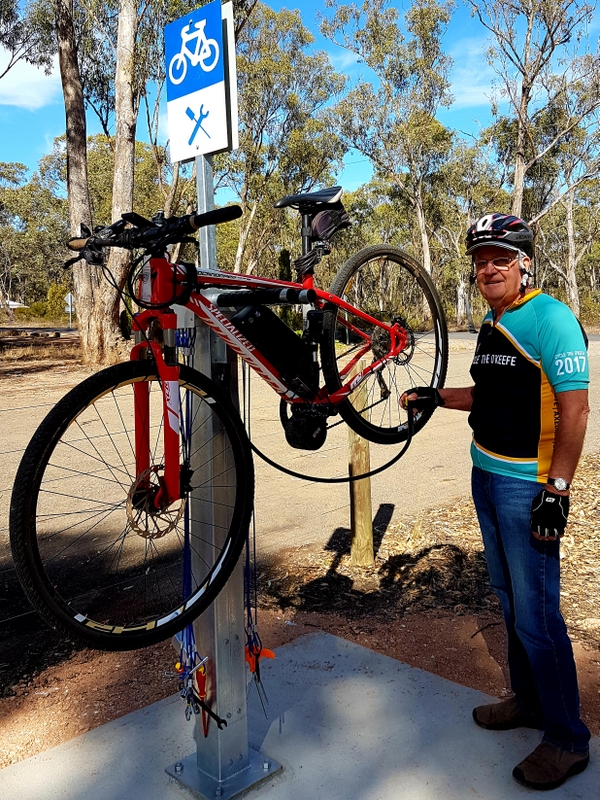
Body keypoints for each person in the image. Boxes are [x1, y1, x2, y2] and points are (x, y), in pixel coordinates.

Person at [402, 212, 591, 791]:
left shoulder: (552, 318)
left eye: (500, 258)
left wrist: (556, 490)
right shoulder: (493, 321)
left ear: (524, 262)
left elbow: (576, 410)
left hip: (526, 486)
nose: (489, 268)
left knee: (538, 616)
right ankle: (528, 703)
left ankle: (567, 740)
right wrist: (437, 395)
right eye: (481, 260)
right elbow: (491, 396)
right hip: (485, 475)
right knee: (509, 600)